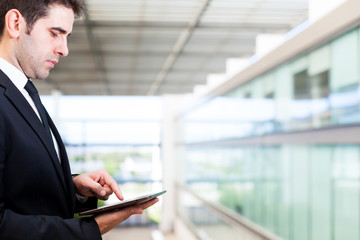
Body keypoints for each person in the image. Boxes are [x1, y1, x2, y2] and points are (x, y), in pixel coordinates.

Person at [0, 0, 159, 239]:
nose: (64, 49)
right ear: (15, 24)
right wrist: (91, 229)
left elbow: (20, 187)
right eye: (55, 33)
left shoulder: (23, 91)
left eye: (66, 36)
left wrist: (74, 188)